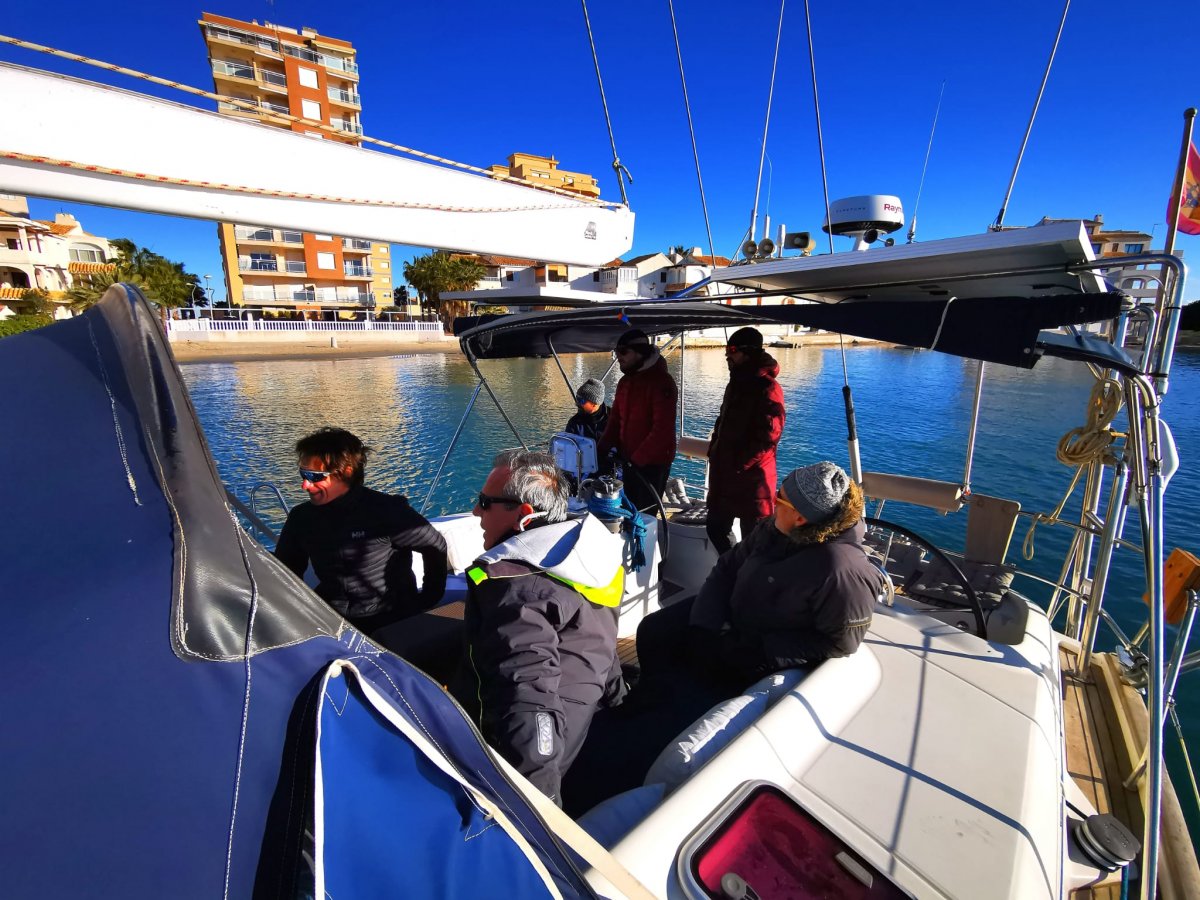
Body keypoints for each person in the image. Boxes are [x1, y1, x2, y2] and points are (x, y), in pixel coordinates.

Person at [562, 461, 879, 814]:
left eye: (781, 499)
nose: (773, 502)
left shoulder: (843, 572)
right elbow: (728, 568)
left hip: (759, 648)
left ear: (802, 518)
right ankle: (651, 697)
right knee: (655, 631)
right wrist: (705, 625)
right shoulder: (776, 529)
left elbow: (839, 643)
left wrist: (760, 652)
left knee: (693, 688)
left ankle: (660, 727)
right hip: (728, 618)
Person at [451, 450, 625, 805]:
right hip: (583, 721)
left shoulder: (515, 587)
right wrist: (619, 699)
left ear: (524, 515)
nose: (475, 512)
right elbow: (599, 643)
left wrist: (539, 808)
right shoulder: (589, 556)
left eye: (485, 503)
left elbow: (526, 697)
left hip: (524, 763)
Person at [273, 427, 448, 634]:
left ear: (346, 472)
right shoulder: (301, 517)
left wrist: (428, 599)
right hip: (331, 616)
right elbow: (286, 569)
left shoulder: (386, 511)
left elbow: (435, 546)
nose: (305, 485)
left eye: (314, 476)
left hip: (391, 617)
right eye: (303, 474)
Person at [705, 326, 786, 555]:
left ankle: (746, 582)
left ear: (748, 352)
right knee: (715, 528)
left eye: (732, 350)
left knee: (755, 542)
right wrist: (715, 450)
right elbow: (723, 422)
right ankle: (734, 569)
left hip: (753, 481)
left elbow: (769, 437)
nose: (727, 355)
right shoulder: (735, 383)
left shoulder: (769, 388)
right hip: (725, 476)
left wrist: (740, 464)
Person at [598, 328, 678, 512]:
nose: (618, 357)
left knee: (645, 514)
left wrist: (636, 460)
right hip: (630, 461)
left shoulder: (662, 383)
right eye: (616, 352)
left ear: (640, 352)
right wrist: (600, 450)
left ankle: (649, 539)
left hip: (652, 463)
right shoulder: (624, 383)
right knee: (629, 511)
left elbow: (662, 430)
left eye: (624, 352)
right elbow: (615, 421)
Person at [563, 378, 609, 443]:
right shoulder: (574, 423)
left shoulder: (614, 419)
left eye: (581, 401)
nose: (577, 403)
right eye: (577, 399)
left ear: (594, 404)